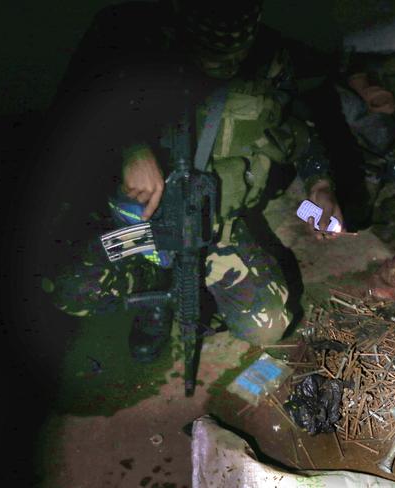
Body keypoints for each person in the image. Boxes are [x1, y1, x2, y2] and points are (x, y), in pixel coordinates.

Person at [38, 0, 345, 362]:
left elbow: (301, 131)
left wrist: (320, 186)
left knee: (268, 326)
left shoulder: (272, 61)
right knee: (69, 290)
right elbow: (74, 117)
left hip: (217, 226)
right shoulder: (136, 38)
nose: (222, 54)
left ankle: (198, 284)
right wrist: (130, 147)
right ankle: (157, 292)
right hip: (146, 229)